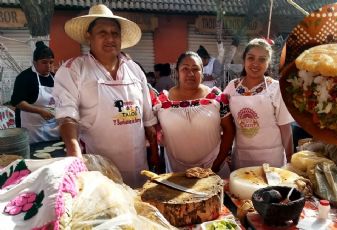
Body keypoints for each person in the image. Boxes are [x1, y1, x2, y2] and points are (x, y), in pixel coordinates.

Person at [53, 4, 159, 188]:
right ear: (89, 36)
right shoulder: (74, 70)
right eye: (102, 33)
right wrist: (74, 154)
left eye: (115, 33)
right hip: (99, 170)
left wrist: (156, 157)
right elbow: (67, 117)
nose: (110, 38)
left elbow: (148, 121)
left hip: (138, 167)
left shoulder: (134, 69)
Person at [153, 51, 235, 176]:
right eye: (185, 68)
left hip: (214, 167)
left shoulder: (217, 97)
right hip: (177, 172)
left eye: (195, 69)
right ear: (177, 72)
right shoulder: (161, 101)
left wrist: (216, 165)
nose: (190, 73)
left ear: (202, 72)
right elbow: (153, 131)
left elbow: (229, 129)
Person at [223, 38, 294, 169]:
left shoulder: (276, 88)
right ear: (244, 60)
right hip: (241, 158)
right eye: (251, 58)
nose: (255, 63)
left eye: (262, 59)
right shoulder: (232, 87)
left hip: (272, 160)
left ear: (268, 63)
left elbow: (285, 127)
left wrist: (290, 158)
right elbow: (223, 121)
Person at [10, 41, 60, 144]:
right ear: (34, 62)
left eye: (51, 62)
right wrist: (40, 111)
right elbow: (17, 102)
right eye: (44, 62)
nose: (48, 66)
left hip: (52, 126)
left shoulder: (54, 77)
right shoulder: (25, 77)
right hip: (31, 128)